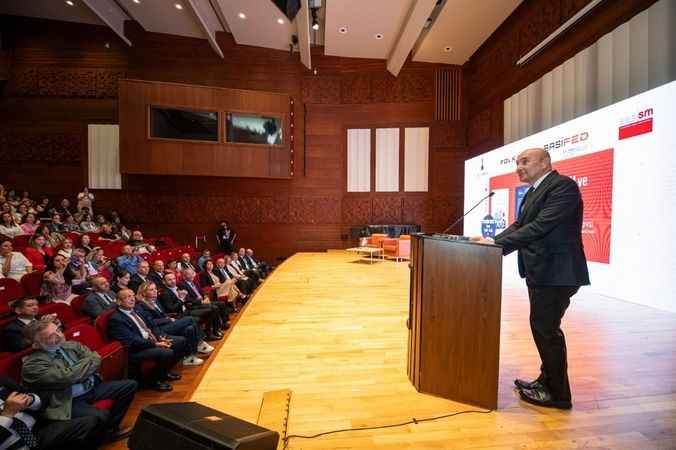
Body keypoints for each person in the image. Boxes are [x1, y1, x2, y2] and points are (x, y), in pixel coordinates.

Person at [472, 147, 589, 410]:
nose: (519, 167)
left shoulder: (563, 187)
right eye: (517, 163)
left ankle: (558, 394)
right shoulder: (535, 190)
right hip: (542, 271)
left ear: (545, 162)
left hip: (558, 271)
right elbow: (520, 225)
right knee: (542, 327)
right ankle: (546, 382)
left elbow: (540, 227)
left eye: (525, 161)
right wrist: (492, 243)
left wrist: (496, 246)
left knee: (546, 330)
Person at [21, 319, 137, 443]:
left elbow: (97, 360)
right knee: (101, 415)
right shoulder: (32, 365)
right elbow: (67, 377)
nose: (60, 336)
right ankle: (102, 437)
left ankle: (110, 430)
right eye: (51, 336)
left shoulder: (71, 344)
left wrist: (79, 370)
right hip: (67, 400)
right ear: (36, 345)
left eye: (58, 330)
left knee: (130, 385)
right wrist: (87, 364)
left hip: (90, 387)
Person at [107, 289, 185, 391]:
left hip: (151, 339)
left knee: (180, 341)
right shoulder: (116, 319)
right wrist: (156, 344)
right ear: (119, 302)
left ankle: (164, 372)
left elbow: (152, 324)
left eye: (132, 296)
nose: (131, 299)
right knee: (166, 352)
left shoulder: (137, 309)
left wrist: (160, 337)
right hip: (135, 349)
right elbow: (133, 340)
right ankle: (153, 382)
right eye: (127, 297)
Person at [1, 374, 102, 450]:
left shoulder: (2, 381)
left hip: (37, 431)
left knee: (90, 423)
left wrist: (31, 400)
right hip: (14, 446)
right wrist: (7, 414)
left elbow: (37, 398)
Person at [135, 281, 212, 366]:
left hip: (167, 324)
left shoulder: (155, 301)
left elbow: (163, 314)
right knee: (190, 319)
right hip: (160, 329)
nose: (155, 291)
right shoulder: (142, 305)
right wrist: (168, 319)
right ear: (144, 292)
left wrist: (168, 318)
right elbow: (151, 322)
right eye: (151, 290)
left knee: (189, 328)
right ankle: (200, 342)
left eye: (155, 289)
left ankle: (190, 357)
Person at [159, 272, 223, 340]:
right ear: (164, 282)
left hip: (187, 309)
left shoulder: (178, 287)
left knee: (211, 310)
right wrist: (181, 299)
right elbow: (171, 309)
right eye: (169, 280)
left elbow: (188, 299)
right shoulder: (165, 293)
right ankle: (205, 337)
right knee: (205, 313)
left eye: (174, 279)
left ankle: (211, 333)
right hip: (180, 314)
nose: (173, 281)